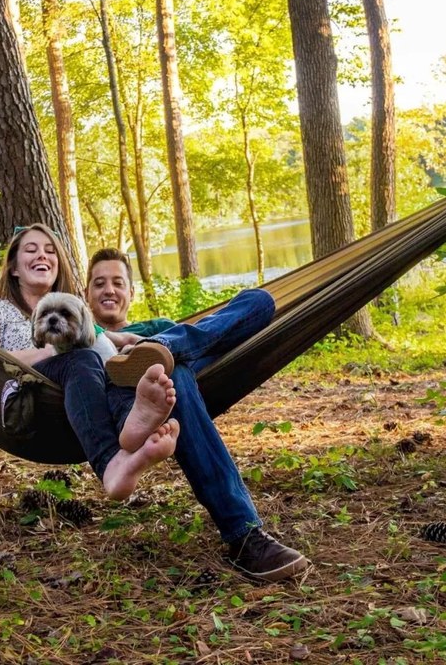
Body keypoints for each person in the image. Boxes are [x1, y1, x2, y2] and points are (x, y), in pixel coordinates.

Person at [86, 248, 308, 581]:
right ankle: (243, 534)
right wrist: (109, 340)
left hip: (170, 363)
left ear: (131, 293)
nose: (109, 290)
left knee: (259, 301)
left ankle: (155, 350)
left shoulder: (159, 324)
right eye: (99, 283)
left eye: (118, 282)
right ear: (85, 295)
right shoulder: (79, 331)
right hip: (123, 399)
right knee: (173, 372)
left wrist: (140, 341)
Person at [0, 224, 180, 501]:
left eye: (49, 251)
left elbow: (100, 337)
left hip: (81, 390)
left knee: (111, 370)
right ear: (14, 268)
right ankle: (110, 464)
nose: (42, 255)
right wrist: (52, 351)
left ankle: (133, 423)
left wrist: (125, 339)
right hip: (29, 389)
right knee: (81, 358)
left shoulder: (72, 306)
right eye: (31, 250)